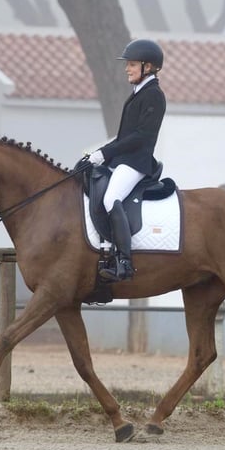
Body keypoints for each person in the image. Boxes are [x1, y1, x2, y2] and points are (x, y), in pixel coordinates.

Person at [87, 38, 166, 282]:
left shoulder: (154, 96)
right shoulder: (137, 93)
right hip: (123, 159)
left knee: (112, 198)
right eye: (128, 64)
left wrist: (106, 153)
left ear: (149, 67)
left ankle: (124, 261)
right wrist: (98, 154)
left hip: (137, 162)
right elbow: (123, 137)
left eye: (132, 64)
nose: (127, 69)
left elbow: (141, 137)